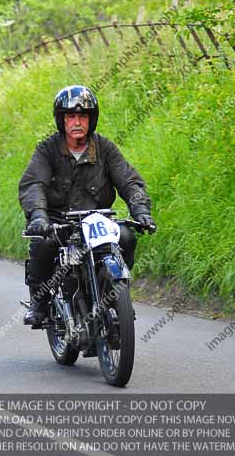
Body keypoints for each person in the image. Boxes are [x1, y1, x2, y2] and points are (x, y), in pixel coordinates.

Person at [18, 85, 156, 326]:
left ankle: (115, 292)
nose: (77, 122)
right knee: (43, 245)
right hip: (59, 221)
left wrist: (141, 210)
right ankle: (39, 303)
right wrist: (39, 216)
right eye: (71, 116)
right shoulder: (47, 150)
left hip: (97, 220)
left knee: (126, 238)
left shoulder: (106, 148)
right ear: (62, 120)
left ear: (91, 119)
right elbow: (33, 184)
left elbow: (129, 181)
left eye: (82, 116)